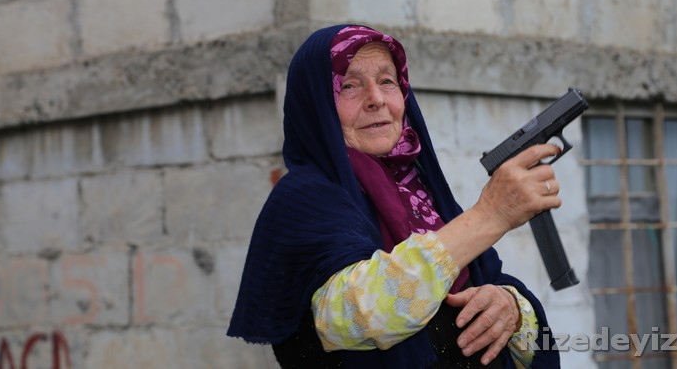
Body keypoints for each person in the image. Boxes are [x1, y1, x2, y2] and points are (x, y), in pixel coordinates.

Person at [228, 25, 562, 368]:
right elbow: (358, 316)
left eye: (388, 81)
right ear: (316, 105)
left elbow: (490, 279)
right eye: (348, 86)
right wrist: (490, 215)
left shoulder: (421, 190)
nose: (377, 99)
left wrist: (509, 308)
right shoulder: (304, 200)